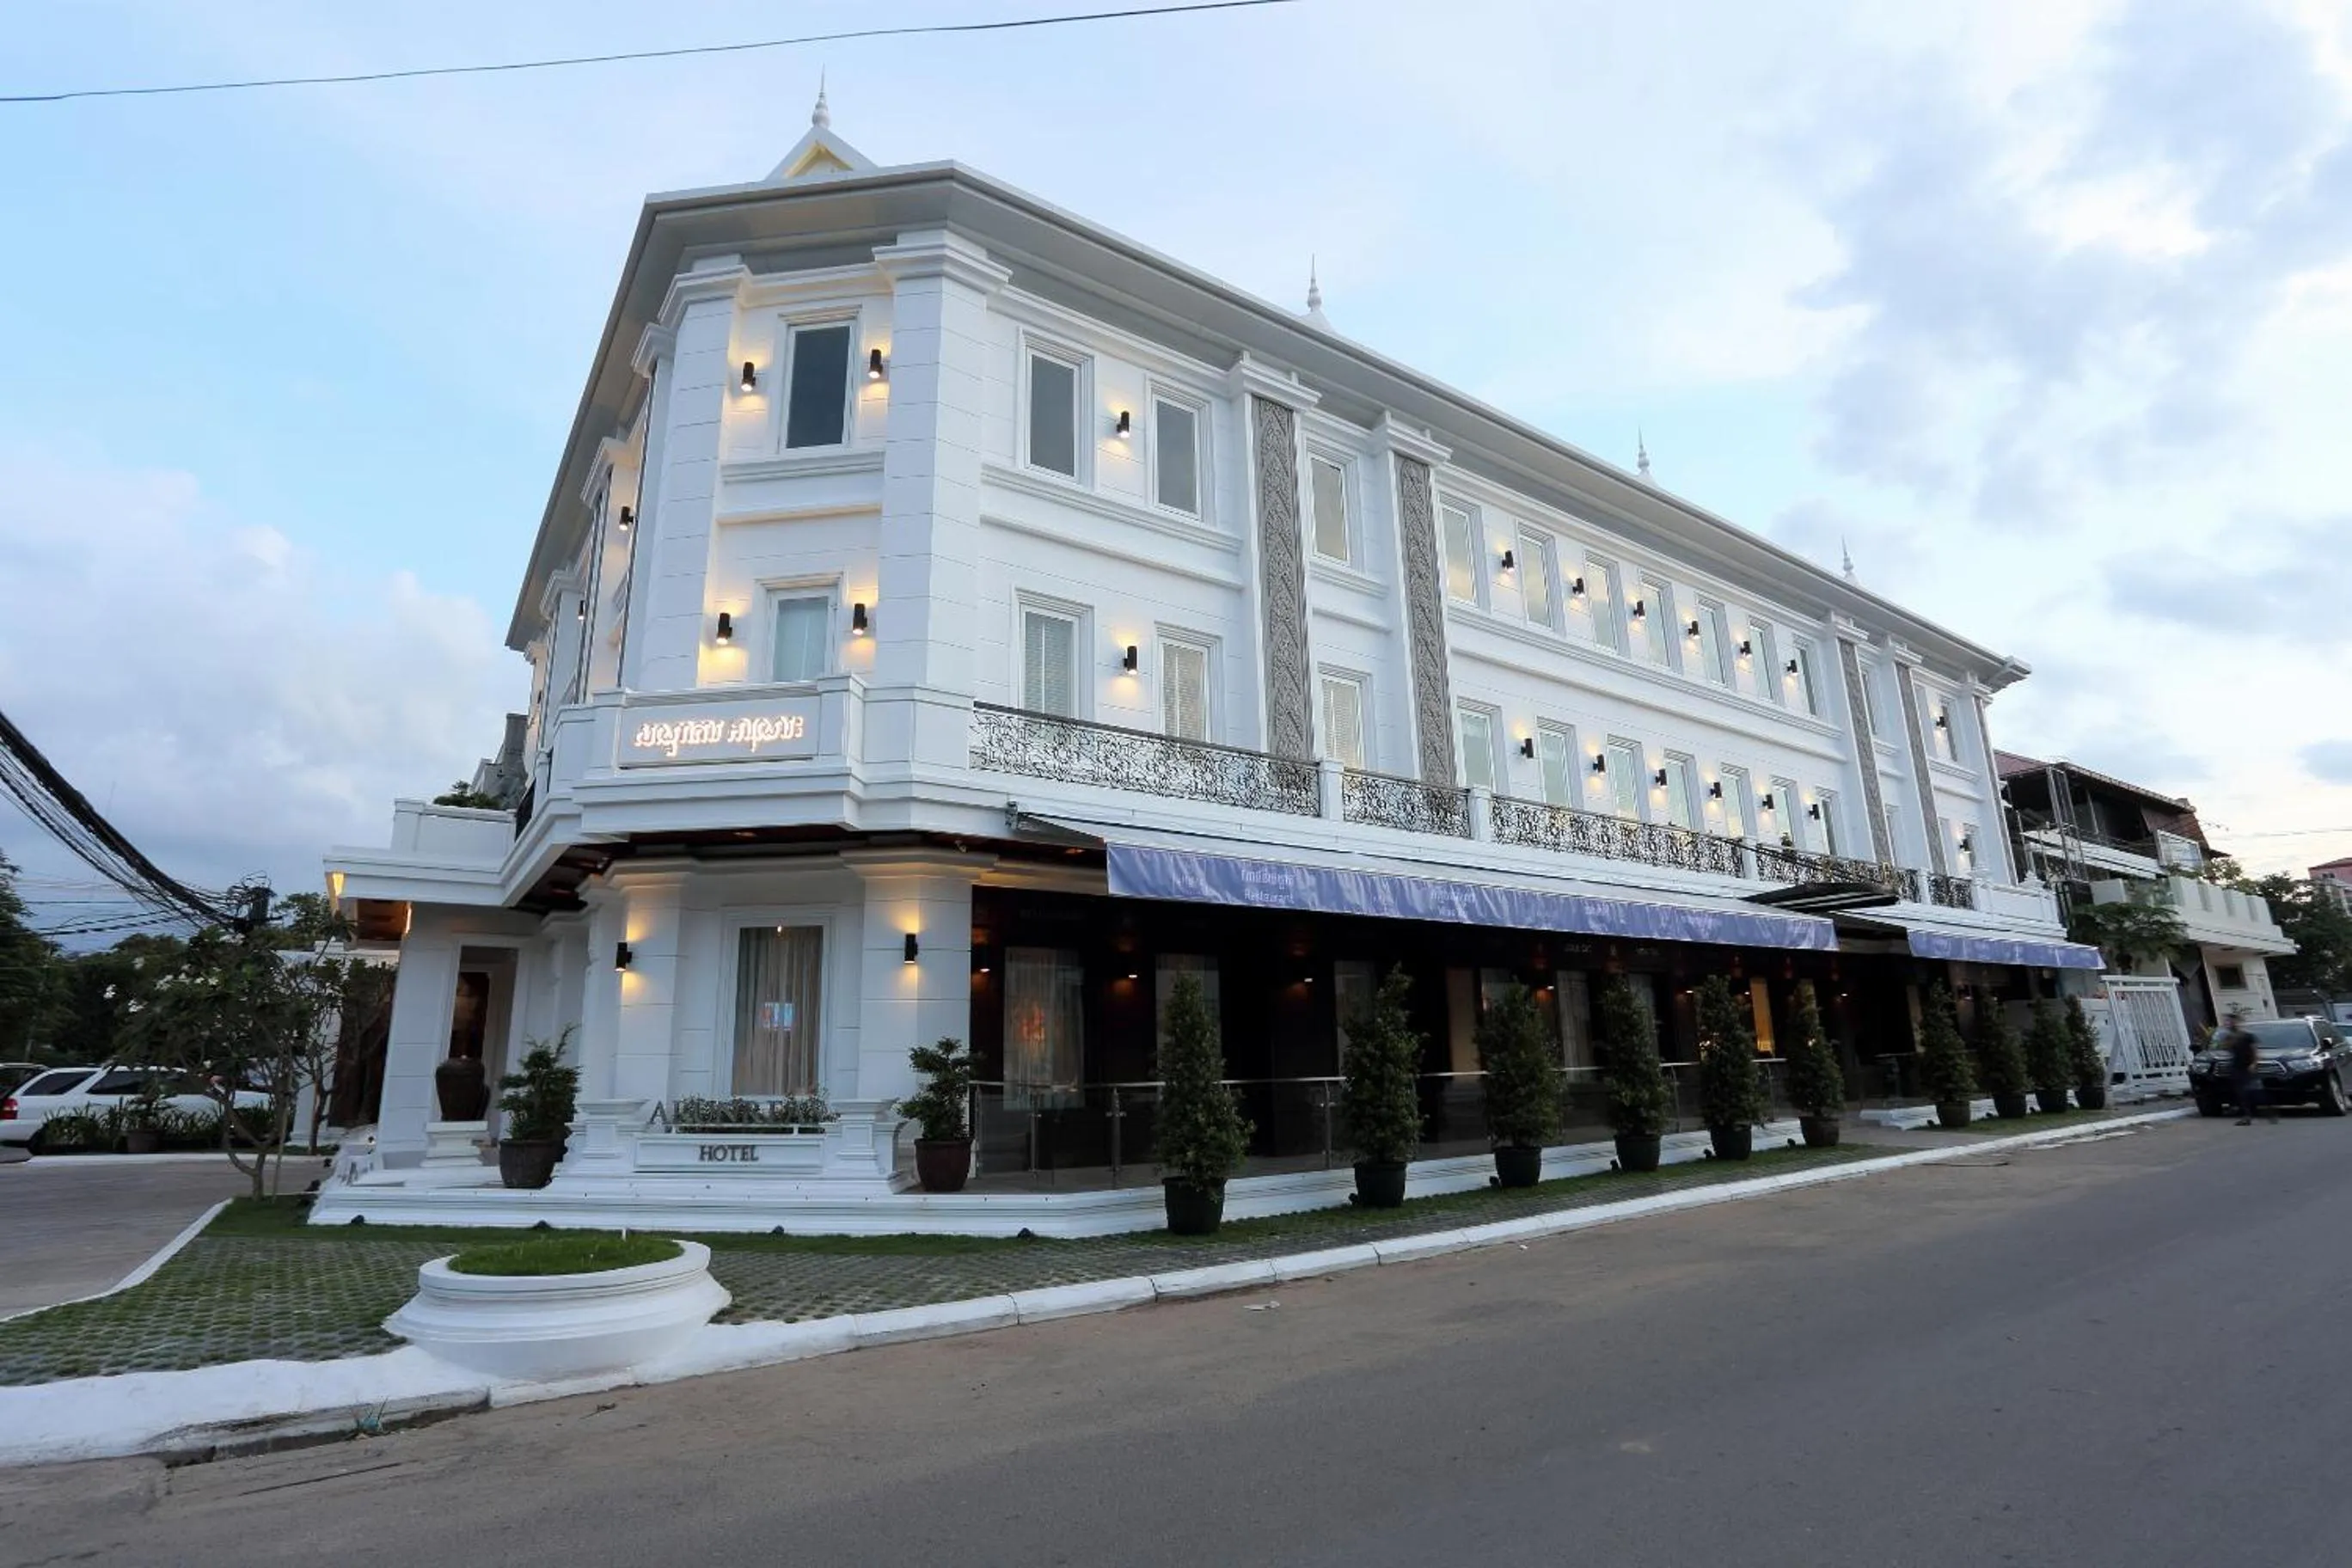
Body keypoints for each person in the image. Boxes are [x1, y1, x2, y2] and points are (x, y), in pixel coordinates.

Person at [2220, 1010, 2274, 1126]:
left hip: (2249, 1067)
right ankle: (2247, 1116)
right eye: (2227, 1021)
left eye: (2231, 1021)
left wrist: (2254, 1064)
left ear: (2237, 1022)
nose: (2229, 1023)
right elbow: (2226, 1048)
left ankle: (2270, 1113)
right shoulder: (2229, 1037)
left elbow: (2255, 1051)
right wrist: (2230, 1039)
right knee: (2241, 1093)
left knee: (2257, 1091)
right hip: (2236, 1067)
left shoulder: (2248, 1036)